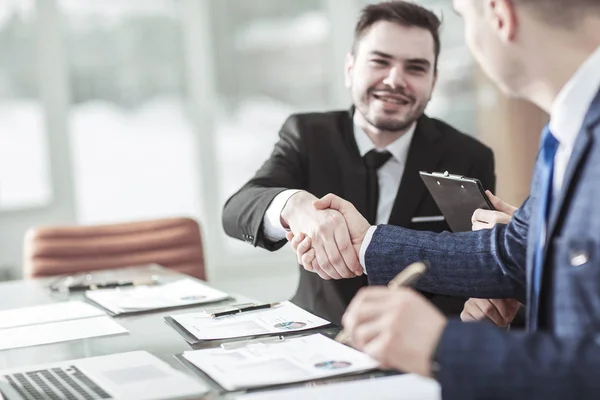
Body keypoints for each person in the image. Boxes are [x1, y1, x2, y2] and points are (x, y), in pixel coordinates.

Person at [290, 0, 600, 397]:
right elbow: (511, 250)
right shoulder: (564, 131)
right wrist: (366, 242)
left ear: (499, 15)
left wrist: (441, 346)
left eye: (465, 19)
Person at [222, 1, 495, 325]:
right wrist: (293, 206)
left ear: (433, 82)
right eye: (380, 62)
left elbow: (480, 260)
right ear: (350, 69)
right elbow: (235, 210)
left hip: (419, 346)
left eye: (416, 68)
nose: (395, 79)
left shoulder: (468, 156)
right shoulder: (308, 135)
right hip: (319, 338)